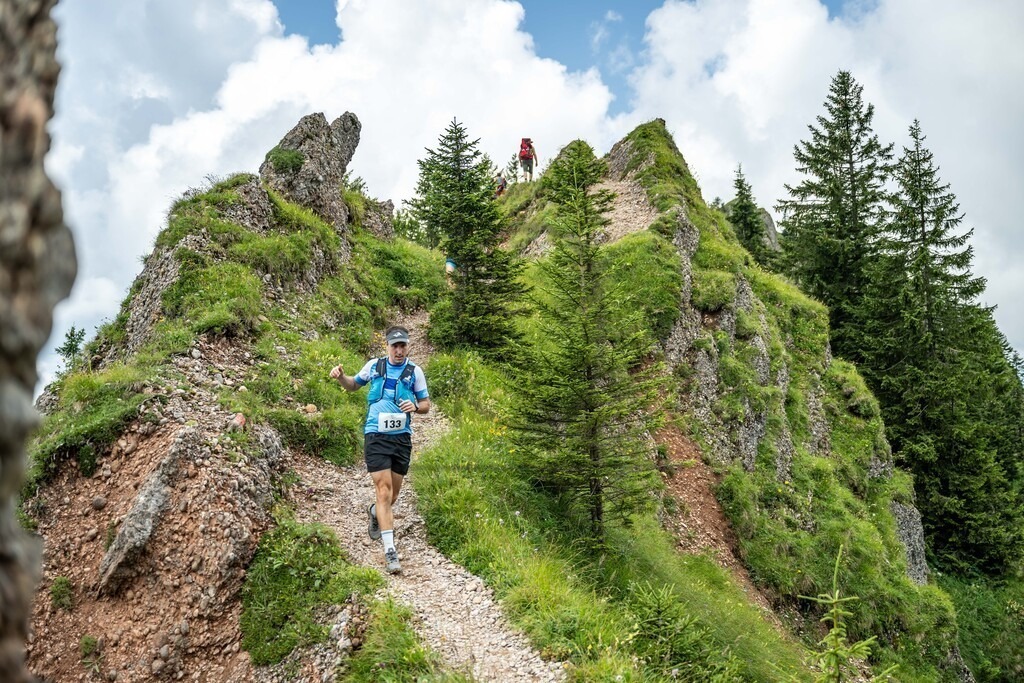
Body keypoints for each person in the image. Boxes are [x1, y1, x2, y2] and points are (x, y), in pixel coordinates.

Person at [329, 325, 431, 573]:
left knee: (392, 496)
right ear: (387, 346)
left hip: (401, 438)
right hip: (375, 434)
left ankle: (375, 512)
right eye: (394, 345)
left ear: (408, 346)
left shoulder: (414, 372)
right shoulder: (374, 366)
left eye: (402, 345)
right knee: (383, 491)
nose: (398, 350)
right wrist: (341, 376)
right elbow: (354, 385)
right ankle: (390, 551)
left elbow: (426, 404)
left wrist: (415, 408)